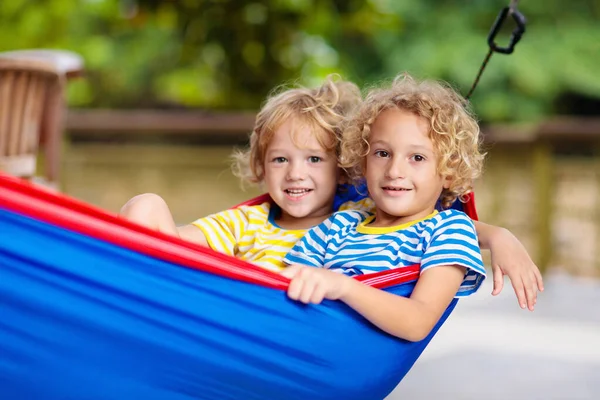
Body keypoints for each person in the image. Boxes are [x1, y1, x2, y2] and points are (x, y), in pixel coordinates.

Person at [120, 75, 543, 310]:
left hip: (284, 328)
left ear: (341, 170)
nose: (295, 174)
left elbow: (440, 223)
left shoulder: (357, 219)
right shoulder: (345, 222)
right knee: (146, 205)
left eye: (314, 159)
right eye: (280, 160)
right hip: (219, 309)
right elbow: (175, 244)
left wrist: (497, 236)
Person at [282, 73, 489, 341]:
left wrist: (343, 287)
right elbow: (283, 289)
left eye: (417, 157)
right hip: (302, 344)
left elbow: (417, 322)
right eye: (382, 153)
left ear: (448, 172)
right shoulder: (339, 224)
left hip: (352, 356)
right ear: (364, 163)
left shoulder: (449, 230)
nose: (394, 170)